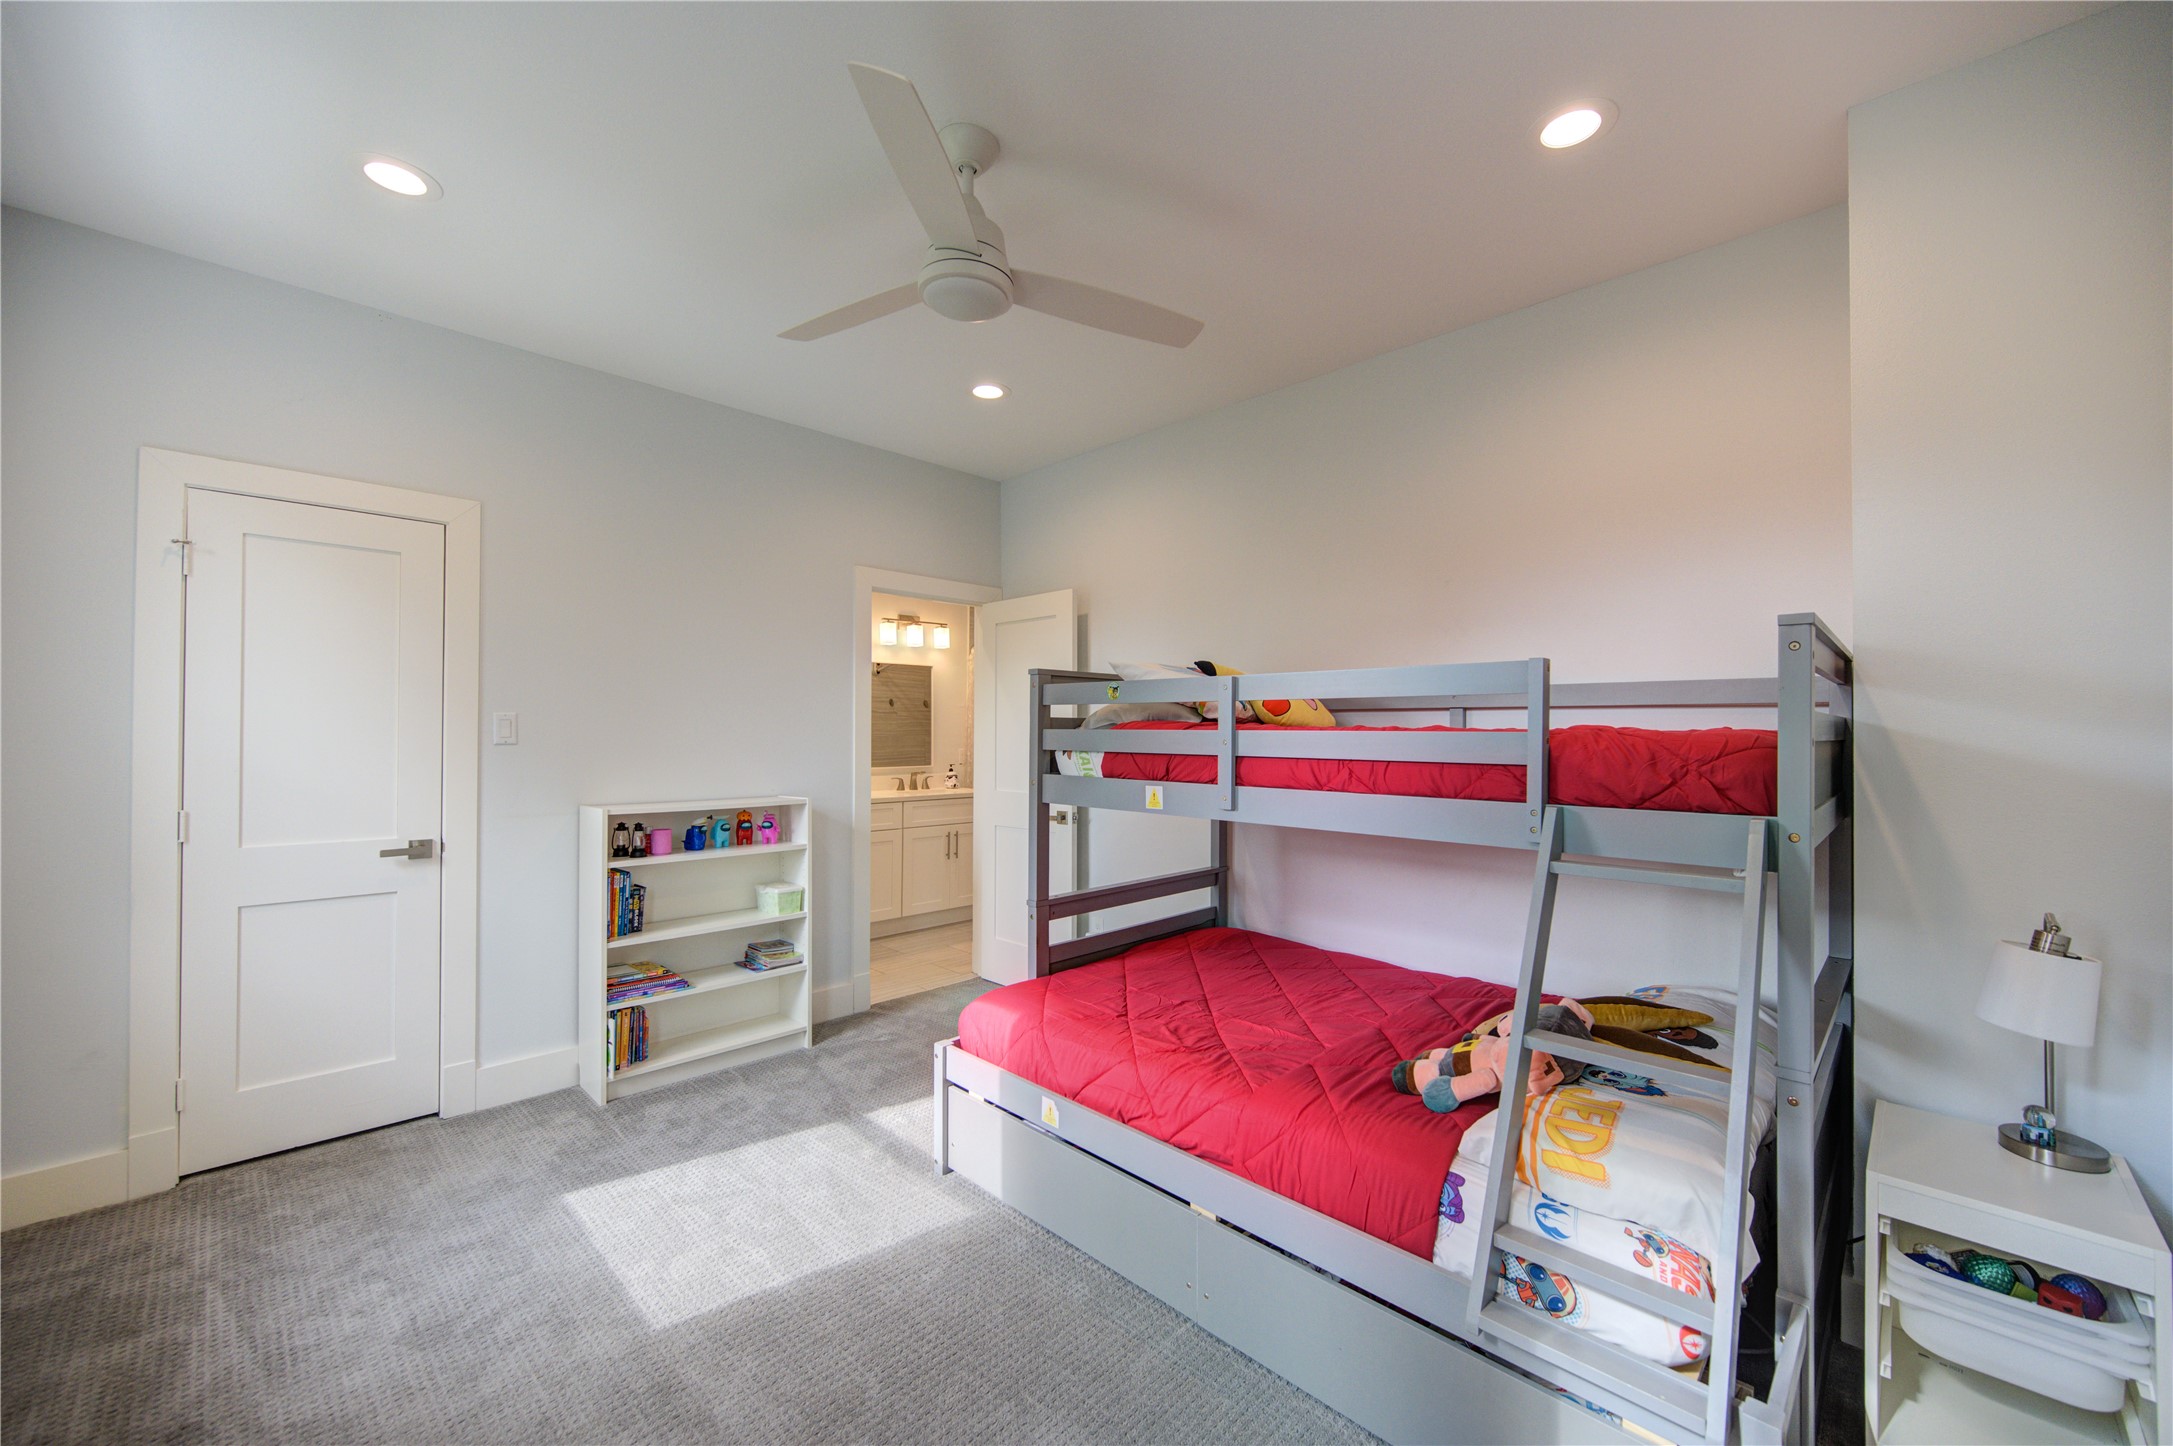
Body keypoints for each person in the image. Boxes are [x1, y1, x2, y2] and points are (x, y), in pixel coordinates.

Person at [1390, 1000, 1595, 1114]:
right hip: (1489, 1045)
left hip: (1513, 1049)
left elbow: (1485, 1080)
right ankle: (1577, 1021)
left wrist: (1446, 1092)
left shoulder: (1498, 1063)